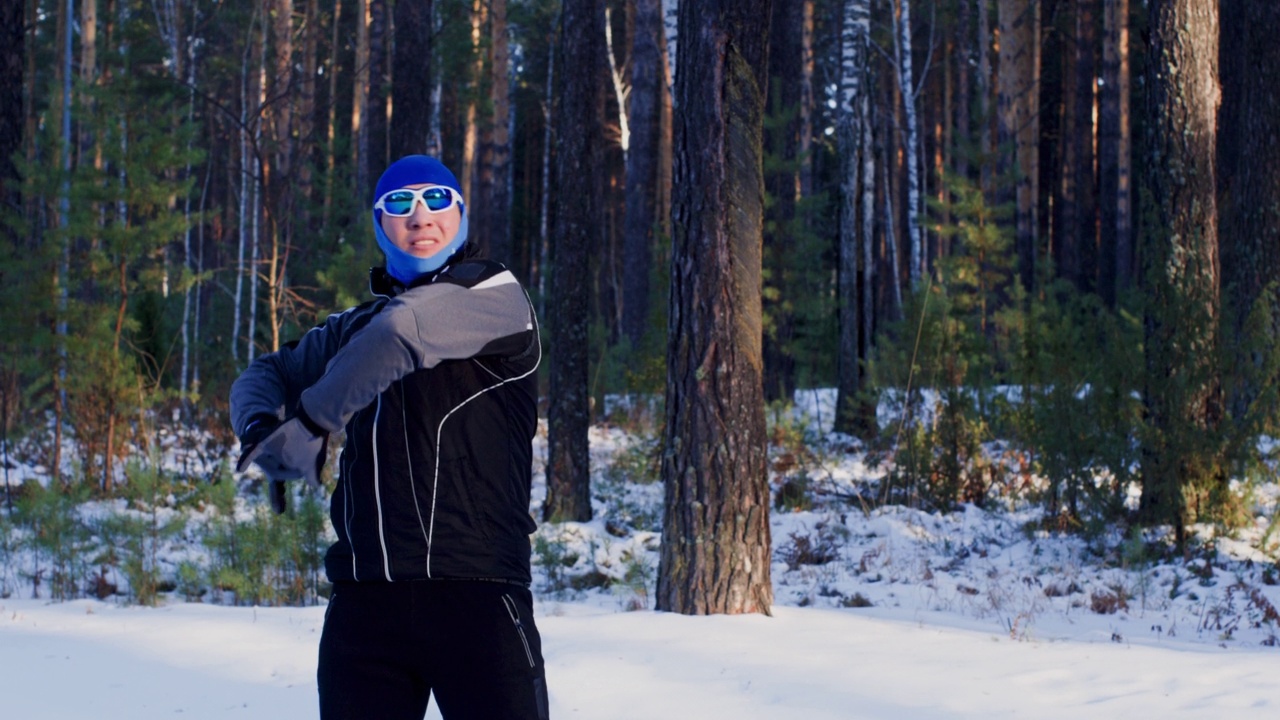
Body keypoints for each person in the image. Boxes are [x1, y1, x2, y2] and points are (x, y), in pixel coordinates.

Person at [230, 155, 549, 720]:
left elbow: (401, 330)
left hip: (476, 596)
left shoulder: (496, 296)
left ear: (461, 214)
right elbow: (265, 374)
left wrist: (309, 424)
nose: (420, 216)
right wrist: (260, 430)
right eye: (400, 203)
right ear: (380, 223)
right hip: (365, 602)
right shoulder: (353, 327)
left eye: (436, 200)